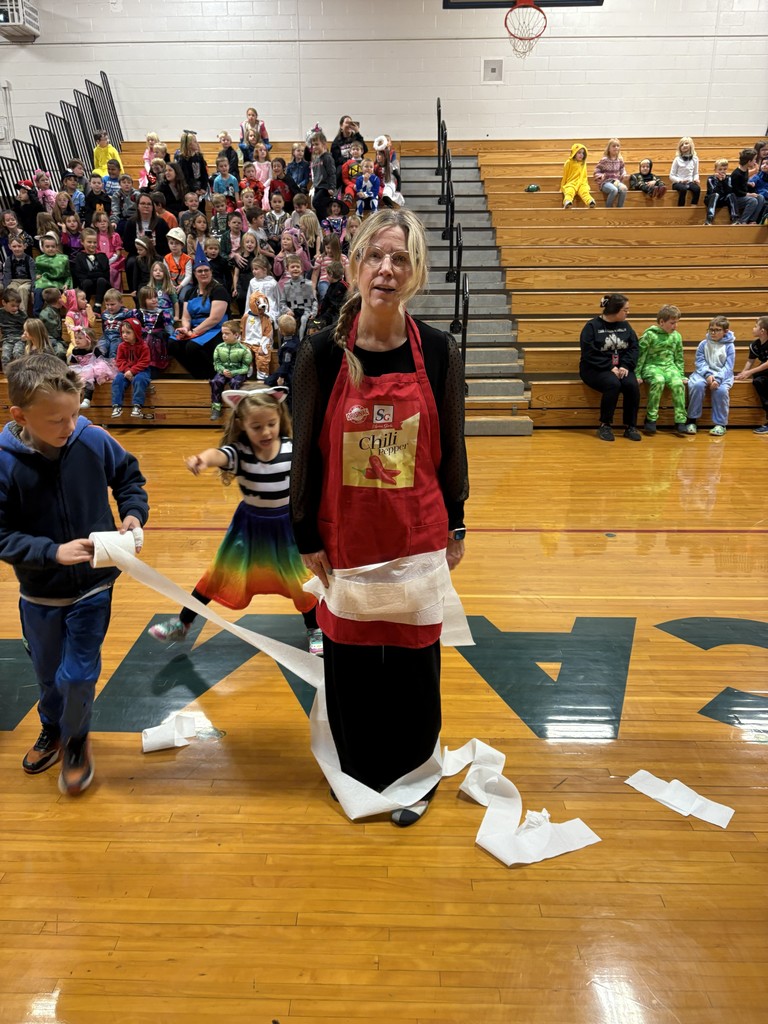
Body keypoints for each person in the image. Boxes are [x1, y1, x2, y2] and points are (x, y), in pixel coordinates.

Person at [289, 208, 468, 827]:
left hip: (417, 532)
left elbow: (455, 443)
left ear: (415, 272)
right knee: (352, 663)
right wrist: (304, 531)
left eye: (398, 259)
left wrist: (458, 521)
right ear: (353, 266)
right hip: (345, 536)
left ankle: (414, 774)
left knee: (416, 661)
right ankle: (360, 773)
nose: (385, 270)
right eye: (374, 257)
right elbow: (304, 448)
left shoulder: (440, 352)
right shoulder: (319, 355)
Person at [0, 352, 148, 795]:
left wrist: (134, 515)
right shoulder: (5, 463)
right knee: (48, 674)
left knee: (79, 674)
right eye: (55, 420)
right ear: (19, 415)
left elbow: (128, 478)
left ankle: (78, 740)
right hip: (40, 594)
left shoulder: (92, 439)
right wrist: (50, 552)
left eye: (74, 413)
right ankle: (54, 727)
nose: (68, 427)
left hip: (94, 586)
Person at [148, 385, 322, 655]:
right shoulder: (239, 452)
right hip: (249, 529)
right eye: (256, 427)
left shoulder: (291, 449)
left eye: (271, 424)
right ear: (242, 424)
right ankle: (182, 623)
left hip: (287, 528)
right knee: (218, 575)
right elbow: (218, 455)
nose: (265, 432)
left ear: (280, 418)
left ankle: (315, 629)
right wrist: (201, 459)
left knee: (301, 581)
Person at [579, 293, 641, 442]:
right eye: (625, 310)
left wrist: (626, 365)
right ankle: (605, 424)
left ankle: (630, 426)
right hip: (595, 368)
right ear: (615, 310)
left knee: (631, 384)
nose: (628, 313)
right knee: (612, 384)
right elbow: (589, 352)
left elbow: (634, 348)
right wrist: (608, 366)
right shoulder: (592, 326)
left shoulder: (625, 326)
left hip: (621, 367)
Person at [169, 245, 230, 378]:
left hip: (215, 329)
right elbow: (186, 317)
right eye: (200, 271)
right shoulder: (190, 292)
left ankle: (211, 375)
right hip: (194, 329)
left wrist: (194, 333)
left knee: (192, 346)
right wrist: (185, 329)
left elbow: (214, 319)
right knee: (172, 343)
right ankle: (199, 375)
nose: (203, 273)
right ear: (195, 274)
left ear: (211, 271)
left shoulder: (219, 290)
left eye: (206, 270)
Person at [636, 304, 693, 436]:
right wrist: (637, 373)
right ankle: (651, 419)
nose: (675, 326)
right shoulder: (649, 335)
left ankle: (680, 420)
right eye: (672, 323)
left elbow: (679, 357)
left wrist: (680, 374)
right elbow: (640, 356)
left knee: (678, 383)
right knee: (658, 380)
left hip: (669, 367)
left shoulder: (676, 336)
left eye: (677, 323)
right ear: (662, 322)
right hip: (651, 366)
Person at [686, 316, 735, 436]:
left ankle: (720, 424)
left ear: (725, 331)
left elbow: (728, 367)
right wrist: (707, 374)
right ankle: (692, 420)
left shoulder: (729, 346)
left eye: (717, 330)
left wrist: (717, 379)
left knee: (721, 390)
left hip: (723, 375)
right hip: (702, 373)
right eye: (711, 329)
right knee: (696, 385)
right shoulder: (703, 344)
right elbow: (699, 361)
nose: (713, 332)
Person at [209, 319, 252, 420]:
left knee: (236, 383)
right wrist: (222, 370)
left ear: (236, 335)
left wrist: (234, 372)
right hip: (223, 371)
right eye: (222, 333)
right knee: (215, 381)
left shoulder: (244, 350)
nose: (224, 336)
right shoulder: (219, 348)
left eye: (227, 333)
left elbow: (246, 368)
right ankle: (216, 408)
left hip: (237, 372)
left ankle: (237, 410)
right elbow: (217, 364)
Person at [111, 317, 152, 419]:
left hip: (141, 371)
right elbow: (119, 361)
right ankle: (117, 406)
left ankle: (137, 407)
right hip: (125, 371)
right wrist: (127, 371)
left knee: (140, 379)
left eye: (128, 332)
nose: (124, 335)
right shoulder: (121, 346)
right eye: (123, 332)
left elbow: (144, 362)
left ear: (136, 333)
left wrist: (132, 371)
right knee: (118, 379)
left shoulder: (144, 346)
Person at [735, 316, 768, 434]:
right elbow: (750, 360)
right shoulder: (755, 345)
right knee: (757, 380)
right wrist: (743, 373)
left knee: (757, 376)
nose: (753, 328)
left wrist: (749, 372)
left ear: (762, 331)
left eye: (755, 326)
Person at [72, 229, 111, 314]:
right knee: (87, 282)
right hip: (87, 285)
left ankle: (97, 306)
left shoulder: (102, 256)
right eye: (89, 242)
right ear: (82, 242)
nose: (92, 245)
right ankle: (84, 306)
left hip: (102, 285)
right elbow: (80, 276)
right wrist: (95, 274)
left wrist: (91, 274)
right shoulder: (79, 257)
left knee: (101, 280)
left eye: (94, 242)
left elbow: (105, 274)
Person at [32, 233, 71, 315]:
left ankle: (57, 317)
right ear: (42, 248)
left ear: (56, 247)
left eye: (53, 247)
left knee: (57, 294)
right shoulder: (39, 259)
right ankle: (37, 315)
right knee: (38, 291)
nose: (50, 249)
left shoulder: (63, 258)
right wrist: (36, 276)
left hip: (58, 282)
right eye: (47, 246)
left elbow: (67, 274)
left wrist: (66, 284)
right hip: (43, 282)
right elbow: (36, 272)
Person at [730, 148, 766, 224]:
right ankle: (742, 221)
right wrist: (748, 194)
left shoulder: (745, 170)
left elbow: (741, 183)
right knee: (752, 200)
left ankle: (752, 220)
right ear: (749, 161)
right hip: (737, 197)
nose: (755, 161)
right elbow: (736, 190)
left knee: (761, 197)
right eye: (754, 160)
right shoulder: (736, 174)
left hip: (743, 195)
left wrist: (748, 183)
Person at [91, 211, 125, 291]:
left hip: (114, 260)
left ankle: (113, 290)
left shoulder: (115, 236)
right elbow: (94, 252)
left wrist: (111, 260)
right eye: (100, 222)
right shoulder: (95, 237)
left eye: (105, 221)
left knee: (111, 270)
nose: (103, 223)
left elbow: (118, 252)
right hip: (100, 261)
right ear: (96, 224)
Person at [2, 235, 36, 313]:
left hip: (27, 281)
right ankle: (11, 313)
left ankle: (22, 313)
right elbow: (7, 276)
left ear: (24, 246)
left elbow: (33, 276)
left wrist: (33, 290)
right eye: (14, 246)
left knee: (22, 289)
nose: (17, 248)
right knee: (11, 289)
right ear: (10, 247)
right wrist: (5, 290)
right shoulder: (9, 260)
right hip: (14, 281)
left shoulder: (29, 260)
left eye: (19, 246)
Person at [309, 132, 337, 224]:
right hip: (317, 186)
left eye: (317, 144)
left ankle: (327, 221)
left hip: (325, 187)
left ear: (324, 144)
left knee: (316, 202)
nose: (314, 147)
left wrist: (332, 187)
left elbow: (332, 173)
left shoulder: (327, 157)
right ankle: (323, 225)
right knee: (317, 206)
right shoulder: (316, 159)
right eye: (313, 145)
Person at [593, 139, 628, 208]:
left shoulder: (620, 160)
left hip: (616, 181)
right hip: (606, 182)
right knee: (614, 190)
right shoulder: (604, 160)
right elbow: (596, 170)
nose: (616, 148)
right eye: (614, 146)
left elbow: (622, 169)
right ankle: (608, 208)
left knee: (624, 189)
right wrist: (600, 175)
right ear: (609, 148)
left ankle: (619, 208)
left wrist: (624, 174)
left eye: (618, 146)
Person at [560, 143, 596, 209]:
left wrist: (585, 183)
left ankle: (590, 201)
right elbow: (565, 175)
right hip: (572, 182)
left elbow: (584, 175)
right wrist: (562, 186)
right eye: (579, 153)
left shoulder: (583, 163)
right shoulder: (568, 162)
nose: (581, 155)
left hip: (581, 183)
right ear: (574, 153)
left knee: (584, 192)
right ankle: (567, 201)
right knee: (569, 191)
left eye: (583, 153)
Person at [669, 137, 701, 206]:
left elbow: (695, 173)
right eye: (682, 145)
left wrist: (696, 179)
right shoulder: (677, 159)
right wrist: (680, 180)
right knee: (683, 189)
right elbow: (671, 176)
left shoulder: (695, 159)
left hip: (690, 182)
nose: (684, 146)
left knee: (697, 189)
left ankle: (693, 205)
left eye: (686, 143)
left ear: (691, 145)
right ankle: (681, 208)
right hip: (678, 183)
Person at [0, 288, 26, 368]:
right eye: (12, 306)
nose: (15, 308)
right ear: (4, 302)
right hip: (7, 340)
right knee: (5, 356)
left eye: (17, 306)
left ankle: (19, 373)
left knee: (17, 353)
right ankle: (7, 374)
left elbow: (27, 328)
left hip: (19, 339)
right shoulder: (1, 313)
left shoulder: (22, 315)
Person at [704, 159, 734, 226]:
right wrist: (719, 181)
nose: (722, 171)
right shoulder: (711, 179)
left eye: (725, 169)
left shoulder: (728, 178)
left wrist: (724, 181)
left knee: (731, 195)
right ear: (715, 170)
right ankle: (709, 219)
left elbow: (729, 191)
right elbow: (713, 191)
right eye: (720, 169)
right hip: (711, 199)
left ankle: (735, 218)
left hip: (723, 199)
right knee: (716, 195)